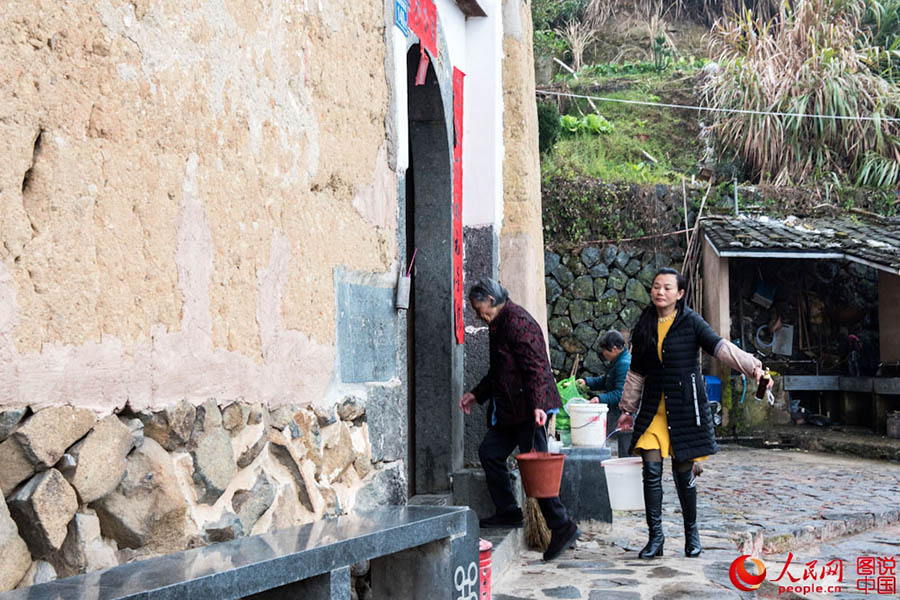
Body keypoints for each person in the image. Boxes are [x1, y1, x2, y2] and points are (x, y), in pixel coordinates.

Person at [616, 268, 770, 559]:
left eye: (667, 288)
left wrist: (753, 367)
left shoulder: (690, 322)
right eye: (656, 287)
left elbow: (720, 348)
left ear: (680, 294)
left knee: (683, 473)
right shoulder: (646, 323)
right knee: (651, 471)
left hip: (685, 407)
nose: (660, 292)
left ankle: (692, 532)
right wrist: (627, 409)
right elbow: (636, 372)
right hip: (653, 409)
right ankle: (655, 538)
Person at [459, 278, 580, 562]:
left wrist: (539, 405)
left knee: (537, 472)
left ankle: (562, 526)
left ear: (490, 299)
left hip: (529, 409)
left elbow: (537, 366)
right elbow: (499, 372)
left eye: (479, 308)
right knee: (489, 452)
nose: (477, 314)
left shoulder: (518, 322)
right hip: (511, 409)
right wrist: (476, 395)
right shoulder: (498, 324)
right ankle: (509, 511)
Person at [576, 330, 633, 457]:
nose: (603, 354)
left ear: (614, 348)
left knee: (626, 454)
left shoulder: (624, 364)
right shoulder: (617, 362)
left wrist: (599, 399)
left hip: (626, 416)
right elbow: (606, 380)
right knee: (622, 451)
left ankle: (627, 474)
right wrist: (587, 382)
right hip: (619, 415)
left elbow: (620, 394)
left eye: (605, 350)